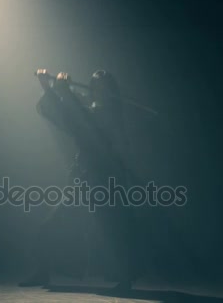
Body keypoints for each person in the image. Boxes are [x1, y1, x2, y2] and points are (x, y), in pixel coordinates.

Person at [19, 69, 137, 290]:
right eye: (94, 85)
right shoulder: (91, 109)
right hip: (85, 177)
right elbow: (67, 116)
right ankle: (43, 271)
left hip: (104, 178)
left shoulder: (109, 114)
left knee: (112, 228)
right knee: (55, 224)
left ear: (110, 91)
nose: (96, 90)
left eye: (101, 86)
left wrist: (63, 92)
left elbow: (80, 122)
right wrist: (52, 89)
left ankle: (125, 277)